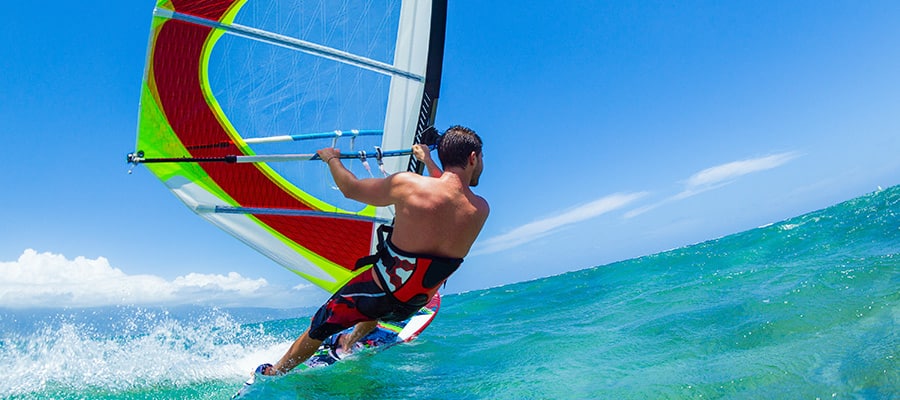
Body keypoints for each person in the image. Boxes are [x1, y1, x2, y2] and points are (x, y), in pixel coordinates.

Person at [259, 125, 489, 376]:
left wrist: (332, 159)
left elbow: (350, 189)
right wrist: (428, 160)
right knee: (380, 297)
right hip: (414, 303)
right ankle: (351, 340)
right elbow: (449, 188)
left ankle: (276, 372)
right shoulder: (480, 209)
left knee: (321, 323)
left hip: (377, 293)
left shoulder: (408, 185)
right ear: (473, 158)